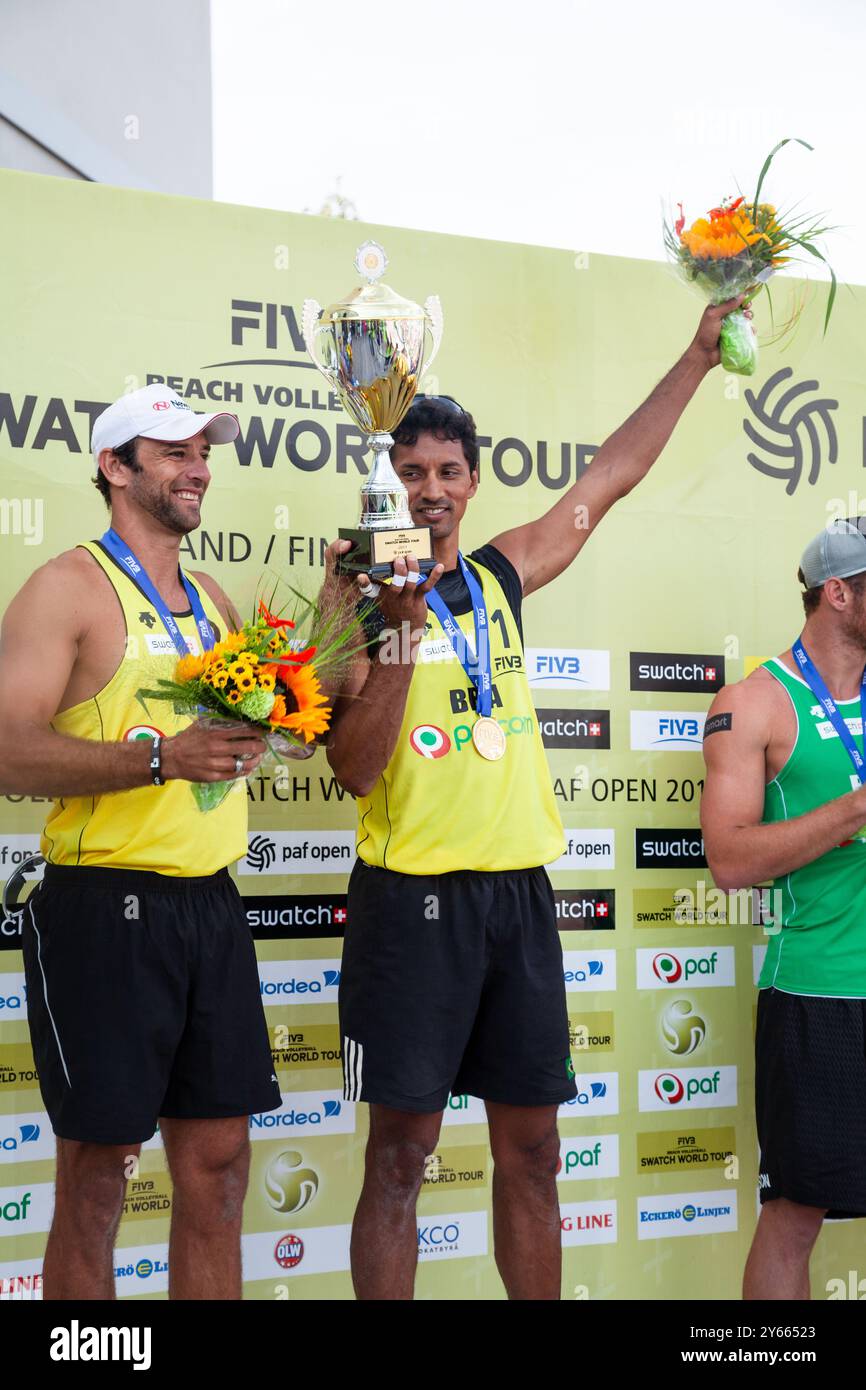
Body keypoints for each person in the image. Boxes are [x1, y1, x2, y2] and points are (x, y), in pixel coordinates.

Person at [325, 297, 745, 1301]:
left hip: (516, 900)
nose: (429, 490)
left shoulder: (500, 575)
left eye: (446, 472)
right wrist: (396, 633)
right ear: (389, 478)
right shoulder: (353, 588)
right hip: (409, 906)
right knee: (398, 1162)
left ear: (471, 482)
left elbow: (611, 475)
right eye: (411, 471)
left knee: (535, 1154)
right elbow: (351, 768)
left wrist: (691, 356)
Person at [0, 384, 283, 1300]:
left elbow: (271, 722)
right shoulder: (66, 586)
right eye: (172, 452)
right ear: (115, 468)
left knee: (219, 1165)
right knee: (98, 1176)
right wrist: (159, 759)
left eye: (204, 451)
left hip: (209, 903)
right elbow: (7, 750)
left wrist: (347, 609)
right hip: (102, 907)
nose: (198, 468)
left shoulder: (208, 596)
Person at [702, 518, 866, 1302]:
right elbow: (729, 861)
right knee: (795, 1213)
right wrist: (855, 810)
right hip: (821, 991)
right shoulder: (755, 701)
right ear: (839, 593)